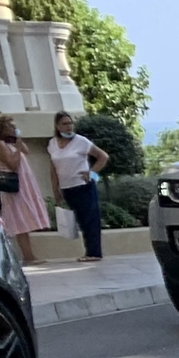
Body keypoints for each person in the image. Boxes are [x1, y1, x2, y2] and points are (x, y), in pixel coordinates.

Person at [47, 111, 111, 262]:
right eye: (65, 124)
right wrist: (55, 189)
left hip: (83, 185)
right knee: (80, 220)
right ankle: (88, 251)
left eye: (70, 123)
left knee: (90, 219)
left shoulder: (81, 141)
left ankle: (94, 252)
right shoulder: (52, 144)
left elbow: (103, 156)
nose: (69, 127)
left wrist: (92, 173)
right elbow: (53, 168)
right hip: (67, 187)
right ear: (57, 126)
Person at [0, 112, 50, 263]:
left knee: (25, 217)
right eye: (9, 125)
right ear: (2, 128)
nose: (13, 127)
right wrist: (16, 148)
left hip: (24, 183)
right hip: (14, 185)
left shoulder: (11, 142)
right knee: (19, 219)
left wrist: (18, 143)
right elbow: (13, 165)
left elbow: (26, 152)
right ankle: (28, 256)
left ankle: (29, 255)